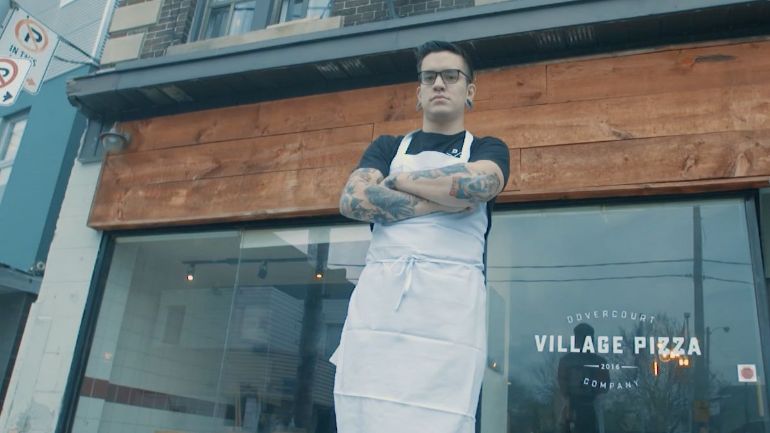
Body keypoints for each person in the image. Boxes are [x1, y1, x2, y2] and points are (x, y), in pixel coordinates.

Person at [329, 40, 510, 433]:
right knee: (366, 409)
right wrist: (443, 199)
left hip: (449, 312)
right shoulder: (387, 147)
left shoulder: (487, 148)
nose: (439, 84)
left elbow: (479, 184)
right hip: (381, 303)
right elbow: (353, 199)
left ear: (469, 91)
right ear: (419, 92)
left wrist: (399, 183)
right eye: (429, 77)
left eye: (451, 76)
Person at [557, 324, 611, 433]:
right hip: (576, 407)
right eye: (581, 337)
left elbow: (604, 386)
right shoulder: (599, 362)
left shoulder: (566, 361)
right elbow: (604, 386)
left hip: (589, 407)